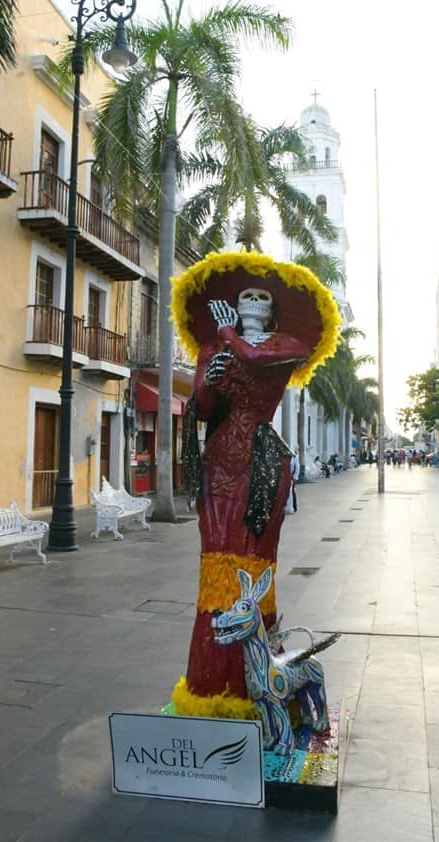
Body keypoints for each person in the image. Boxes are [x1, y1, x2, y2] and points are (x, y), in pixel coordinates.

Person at [171, 250, 340, 718]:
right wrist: (212, 380)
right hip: (221, 459)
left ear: (271, 308)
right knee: (216, 566)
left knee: (252, 564)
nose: (249, 299)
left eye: (260, 296)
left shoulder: (284, 344)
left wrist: (229, 336)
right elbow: (202, 407)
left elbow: (254, 354)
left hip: (262, 463)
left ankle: (253, 681)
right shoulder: (211, 350)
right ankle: (210, 680)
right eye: (243, 293)